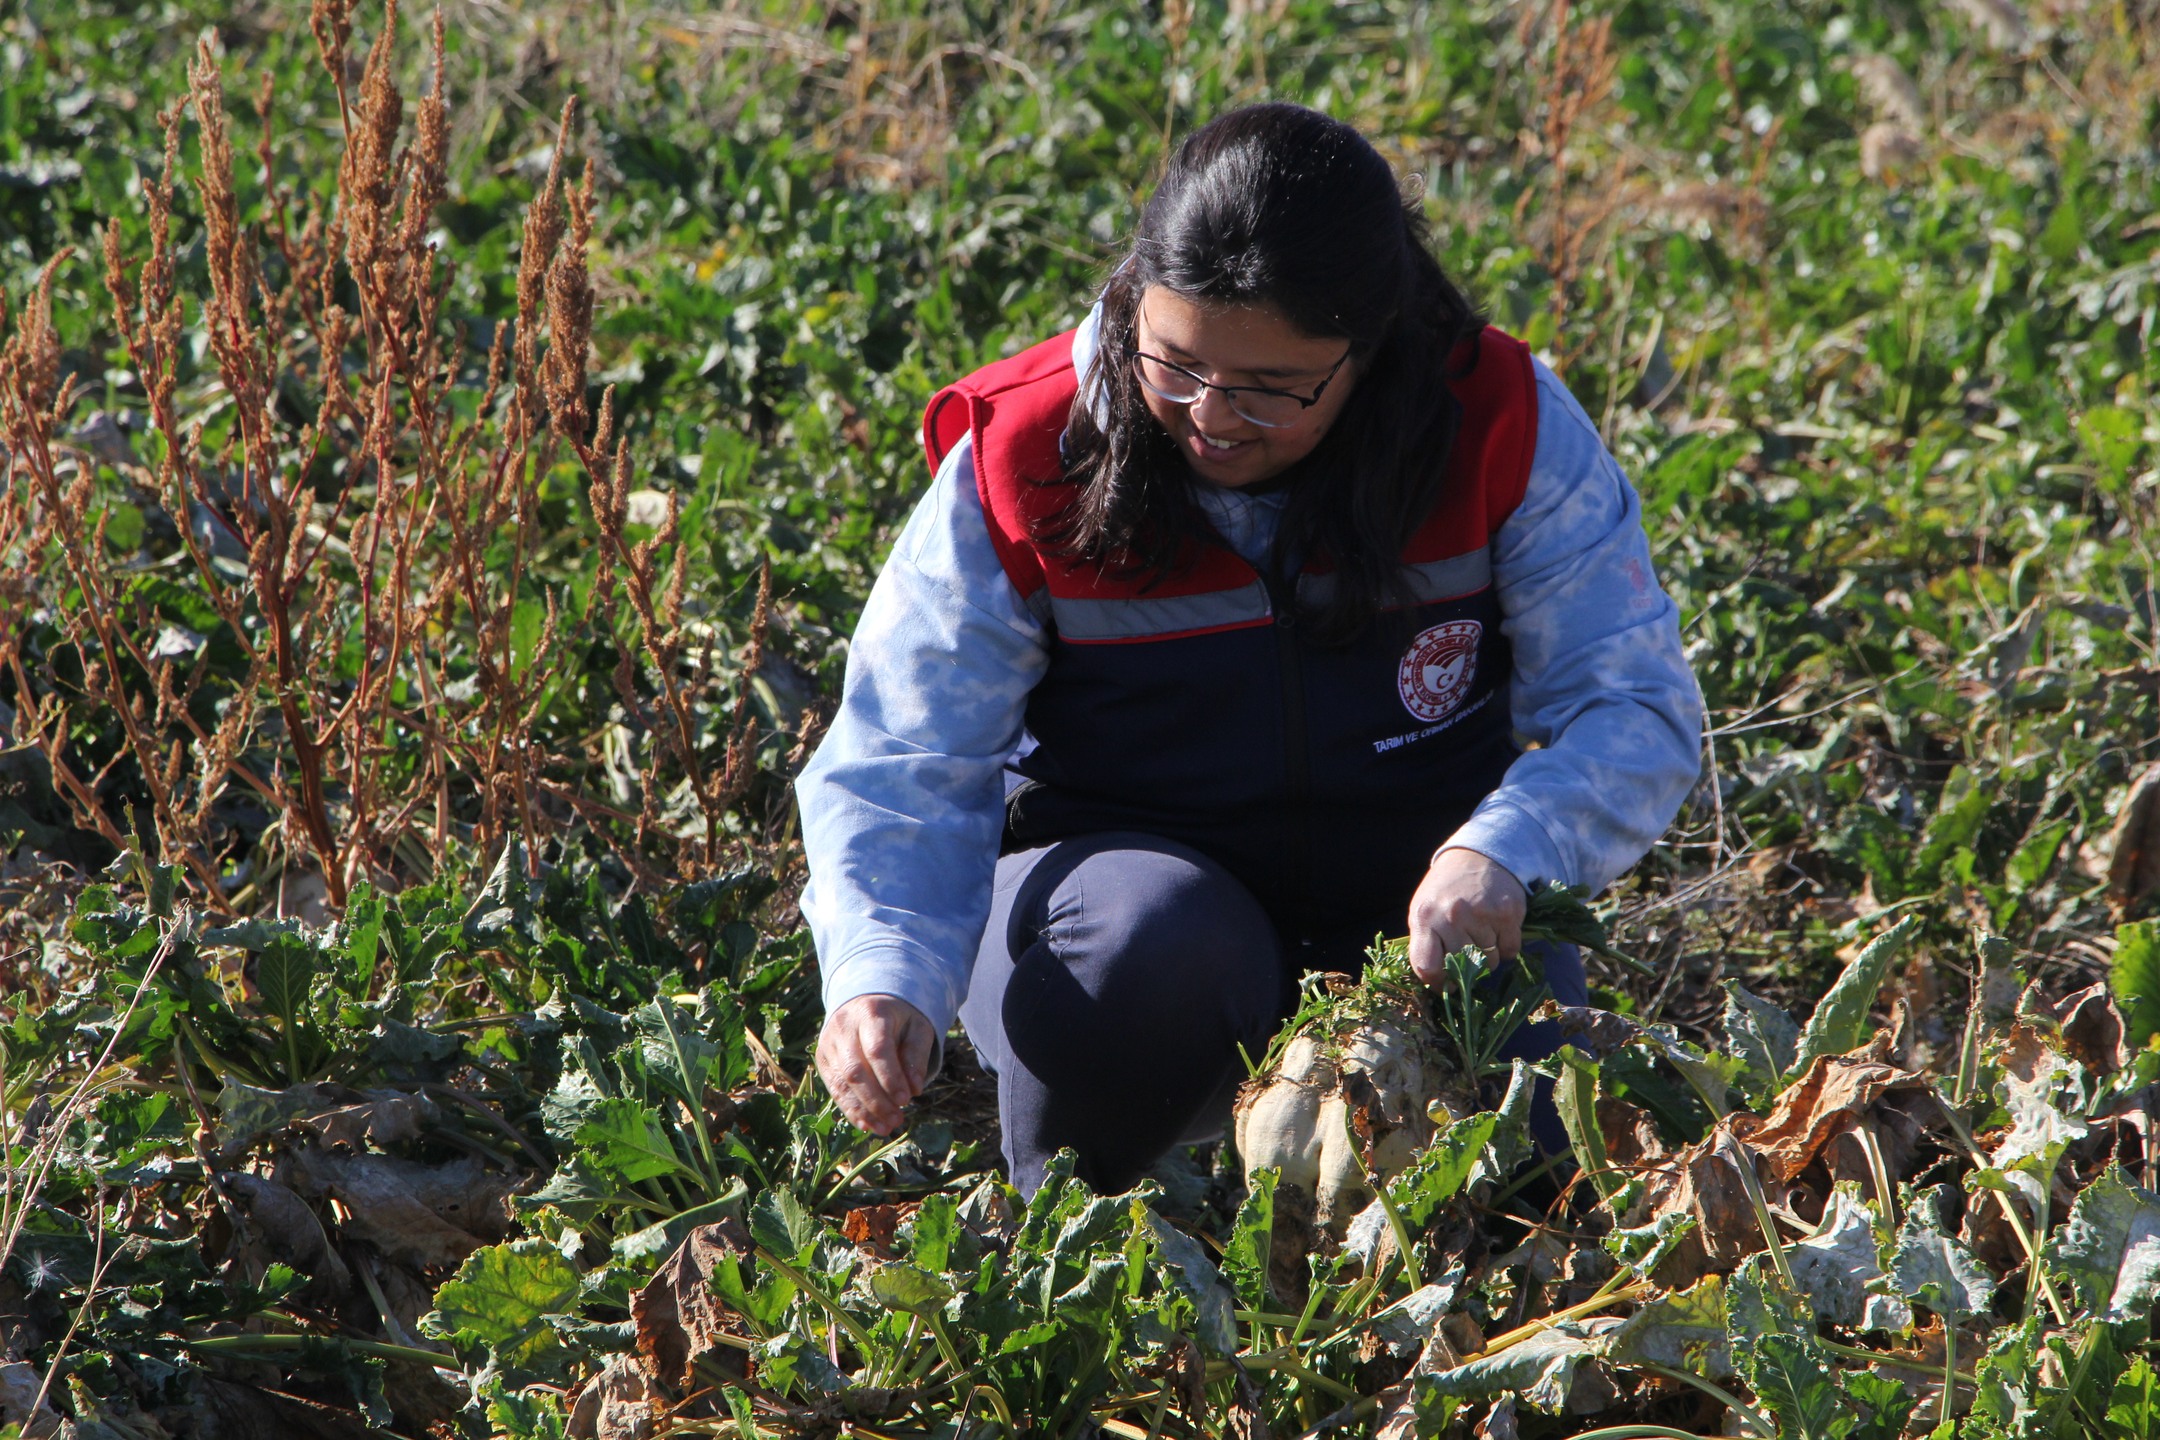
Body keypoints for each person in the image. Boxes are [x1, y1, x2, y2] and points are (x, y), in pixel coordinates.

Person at [796, 102, 1701, 1196]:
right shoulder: (1027, 454)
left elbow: (1634, 706)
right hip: (1124, 902)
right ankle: (1083, 1231)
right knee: (1155, 947)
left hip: (1422, 910)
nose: (1212, 417)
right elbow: (904, 754)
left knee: (1536, 1165)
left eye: (1273, 389)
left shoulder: (1502, 425)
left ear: (1370, 352)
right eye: (1173, 366)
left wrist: (1507, 849)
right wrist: (882, 970)